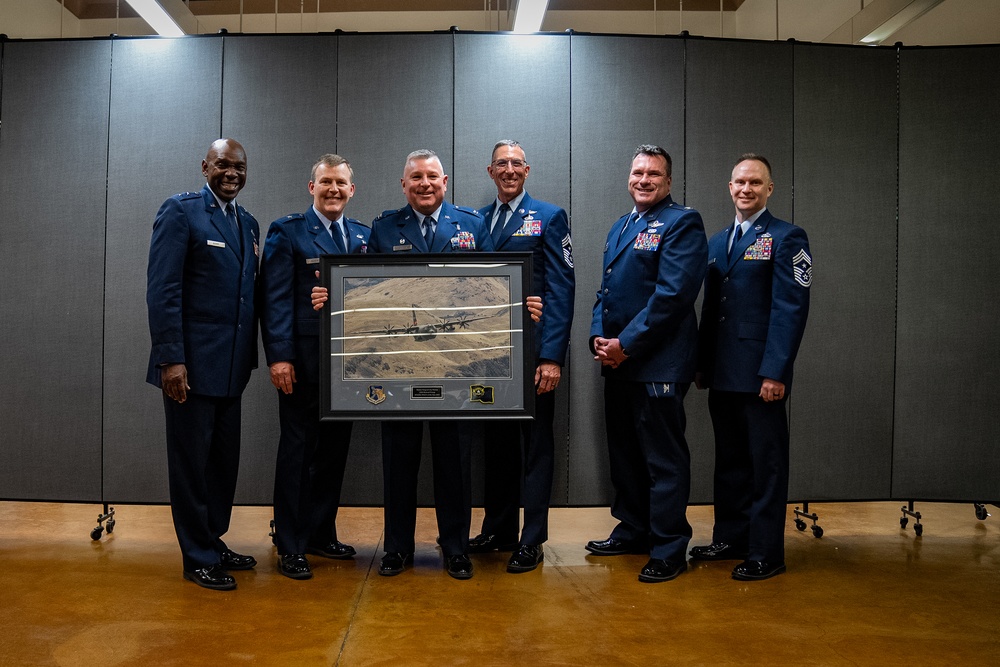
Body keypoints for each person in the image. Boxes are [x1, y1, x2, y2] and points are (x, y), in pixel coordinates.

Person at [369, 149, 494, 580]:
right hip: (401, 365)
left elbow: (493, 285)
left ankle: (456, 547)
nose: (424, 184)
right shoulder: (384, 227)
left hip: (457, 365)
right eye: (416, 177)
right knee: (398, 459)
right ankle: (397, 548)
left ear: (446, 182)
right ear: (403, 185)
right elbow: (367, 291)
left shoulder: (473, 225)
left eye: (432, 177)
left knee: (454, 459)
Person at [587, 144, 707, 583]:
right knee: (626, 456)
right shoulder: (621, 226)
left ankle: (669, 547)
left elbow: (673, 297)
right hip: (617, 362)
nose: (644, 180)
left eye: (653, 174)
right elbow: (606, 292)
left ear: (668, 181)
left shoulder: (682, 223)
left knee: (663, 460)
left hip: (656, 364)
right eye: (638, 172)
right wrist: (599, 338)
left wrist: (626, 344)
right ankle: (633, 530)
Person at [689, 154, 812, 581]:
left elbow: (789, 310)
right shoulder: (719, 240)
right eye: (740, 181)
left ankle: (765, 552)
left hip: (761, 374)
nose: (746, 189)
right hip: (723, 372)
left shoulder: (787, 237)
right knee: (731, 461)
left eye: (755, 183)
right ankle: (730, 538)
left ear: (769, 189)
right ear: (729, 186)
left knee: (765, 466)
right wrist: (702, 364)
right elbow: (711, 310)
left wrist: (775, 371)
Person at [146, 138, 260, 591]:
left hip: (231, 367)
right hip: (190, 368)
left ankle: (212, 539)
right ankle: (196, 556)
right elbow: (163, 289)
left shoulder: (248, 223)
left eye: (239, 167)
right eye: (222, 166)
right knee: (191, 465)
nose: (231, 173)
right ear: (204, 167)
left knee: (221, 463)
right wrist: (171, 359)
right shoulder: (181, 211)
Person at [259, 154, 370, 580]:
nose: (334, 190)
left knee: (333, 452)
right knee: (297, 451)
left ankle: (321, 532)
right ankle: (290, 542)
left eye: (341, 183)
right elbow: (275, 300)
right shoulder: (287, 233)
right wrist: (280, 357)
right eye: (326, 182)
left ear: (351, 190)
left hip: (351, 367)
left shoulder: (361, 235)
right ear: (312, 187)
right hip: (302, 364)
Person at [467, 140, 575, 574]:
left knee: (535, 449)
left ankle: (531, 539)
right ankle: (499, 529)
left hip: (532, 356)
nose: (509, 170)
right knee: (496, 447)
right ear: (490, 171)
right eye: (501, 164)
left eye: (516, 163)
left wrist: (552, 357)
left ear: (527, 170)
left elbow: (562, 289)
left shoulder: (549, 217)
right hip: (487, 356)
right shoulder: (476, 221)